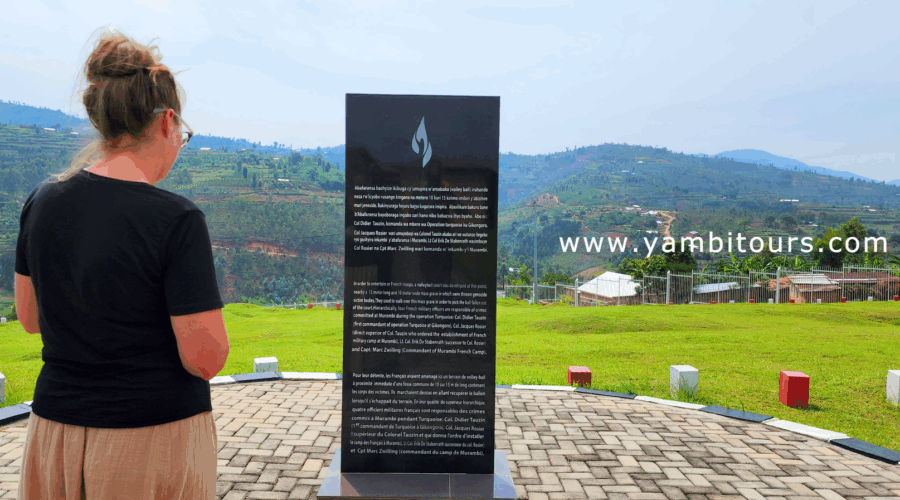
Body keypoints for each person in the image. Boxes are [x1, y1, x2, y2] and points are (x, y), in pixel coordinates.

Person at [14, 29, 229, 499]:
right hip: (151, 438)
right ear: (167, 121)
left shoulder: (42, 200)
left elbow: (30, 319)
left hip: (54, 435)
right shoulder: (177, 218)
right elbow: (206, 358)